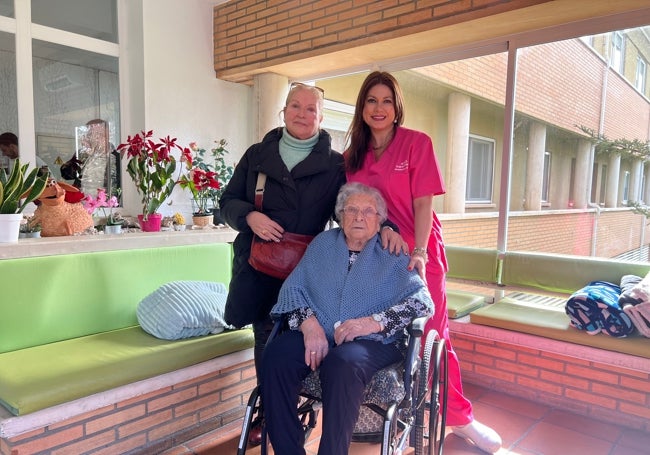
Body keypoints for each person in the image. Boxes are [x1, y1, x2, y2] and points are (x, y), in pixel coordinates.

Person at [345, 71, 502, 454]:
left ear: (397, 107)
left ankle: (459, 418)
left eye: (386, 100)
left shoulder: (417, 144)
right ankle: (393, 414)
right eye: (371, 101)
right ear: (362, 108)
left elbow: (422, 204)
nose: (378, 108)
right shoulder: (353, 156)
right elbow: (358, 205)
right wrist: (383, 228)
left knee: (433, 334)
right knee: (386, 335)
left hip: (420, 255)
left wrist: (418, 251)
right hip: (379, 259)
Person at [261, 182, 433, 455]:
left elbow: (421, 302)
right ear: (340, 215)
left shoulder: (393, 252)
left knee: (342, 363)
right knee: (275, 357)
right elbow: (293, 289)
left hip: (373, 341)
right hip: (318, 330)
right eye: (351, 209)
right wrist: (310, 325)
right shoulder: (322, 245)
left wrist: (373, 322)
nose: (359, 216)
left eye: (368, 211)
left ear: (380, 220)